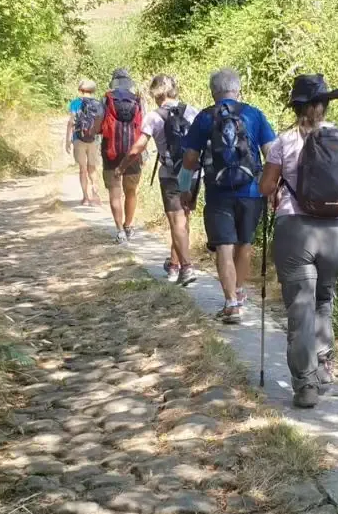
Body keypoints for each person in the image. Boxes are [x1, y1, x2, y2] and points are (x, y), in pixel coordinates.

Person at [259, 74, 338, 409]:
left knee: (300, 307)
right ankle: (324, 366)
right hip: (336, 231)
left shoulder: (283, 142)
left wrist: (278, 182)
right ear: (324, 105)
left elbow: (266, 188)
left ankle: (306, 385)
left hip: (295, 230)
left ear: (297, 106)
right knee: (323, 297)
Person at [182, 68, 276, 324]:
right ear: (238, 90)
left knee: (224, 246)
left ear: (213, 92)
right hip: (252, 191)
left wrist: (185, 188)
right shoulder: (254, 114)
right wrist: (272, 187)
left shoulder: (204, 117)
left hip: (218, 192)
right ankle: (240, 291)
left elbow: (190, 159)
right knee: (244, 243)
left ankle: (231, 303)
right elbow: (271, 153)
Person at [125, 74, 200, 285]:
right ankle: (174, 265)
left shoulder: (154, 117)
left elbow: (139, 146)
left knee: (175, 221)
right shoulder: (192, 111)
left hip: (169, 174)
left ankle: (186, 267)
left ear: (156, 93)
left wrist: (123, 166)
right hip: (192, 173)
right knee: (184, 220)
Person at [98, 68, 145, 243]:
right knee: (131, 191)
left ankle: (119, 231)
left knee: (115, 191)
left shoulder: (106, 98)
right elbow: (144, 126)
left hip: (110, 150)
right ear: (129, 82)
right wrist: (144, 153)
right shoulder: (138, 99)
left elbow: (100, 123)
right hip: (133, 151)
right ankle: (129, 225)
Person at [65, 79, 102, 206]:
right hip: (93, 139)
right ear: (93, 90)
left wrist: (67, 141)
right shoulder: (98, 104)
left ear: (80, 90)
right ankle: (95, 196)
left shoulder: (75, 103)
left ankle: (86, 198)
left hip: (78, 138)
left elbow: (71, 121)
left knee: (82, 169)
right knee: (92, 168)